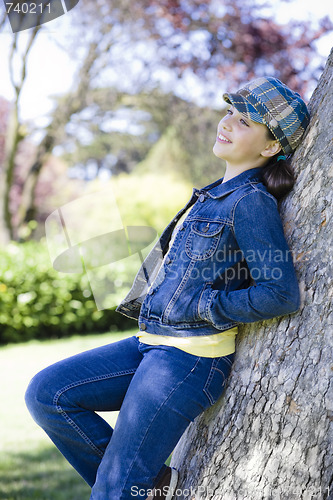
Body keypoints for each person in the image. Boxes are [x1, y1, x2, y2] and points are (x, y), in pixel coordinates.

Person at [25, 77, 310, 500]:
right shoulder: (213, 195)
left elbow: (280, 293)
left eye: (245, 121)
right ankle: (150, 484)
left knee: (114, 489)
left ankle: (127, 486)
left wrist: (206, 304)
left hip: (190, 359)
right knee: (48, 394)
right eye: (229, 111)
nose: (228, 122)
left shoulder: (250, 203)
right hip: (151, 344)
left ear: (270, 147)